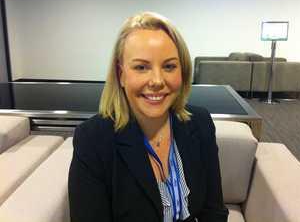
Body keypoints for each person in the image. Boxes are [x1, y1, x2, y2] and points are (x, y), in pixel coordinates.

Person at [68, 11, 228, 222]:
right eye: (141, 67)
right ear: (121, 74)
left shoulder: (200, 122)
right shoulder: (93, 139)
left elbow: (213, 210)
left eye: (169, 66)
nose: (157, 80)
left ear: (183, 71)